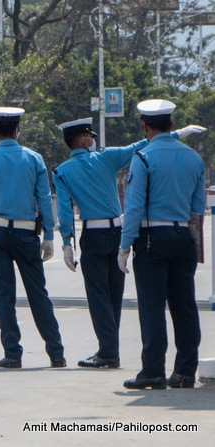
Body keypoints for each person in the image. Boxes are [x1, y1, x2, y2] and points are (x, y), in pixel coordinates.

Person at [53, 118, 206, 370]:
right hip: (117, 232)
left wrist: (67, 243)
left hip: (92, 236)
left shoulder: (62, 171)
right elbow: (140, 145)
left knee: (98, 295)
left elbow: (66, 211)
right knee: (114, 294)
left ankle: (108, 351)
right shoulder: (106, 158)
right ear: (83, 140)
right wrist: (178, 134)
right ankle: (109, 350)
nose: (93, 140)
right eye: (90, 137)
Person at [119, 99, 205, 390]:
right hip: (183, 238)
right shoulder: (194, 158)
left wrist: (125, 245)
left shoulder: (142, 158)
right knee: (184, 306)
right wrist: (192, 240)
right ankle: (185, 372)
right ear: (171, 125)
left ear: (145, 127)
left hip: (152, 239)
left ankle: (153, 371)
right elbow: (197, 209)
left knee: (152, 306)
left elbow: (133, 209)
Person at [0, 107, 65, 369]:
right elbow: (44, 199)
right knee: (38, 294)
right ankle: (56, 353)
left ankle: (12, 354)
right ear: (18, 130)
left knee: (4, 296)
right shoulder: (34, 159)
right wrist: (49, 234)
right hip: (27, 234)